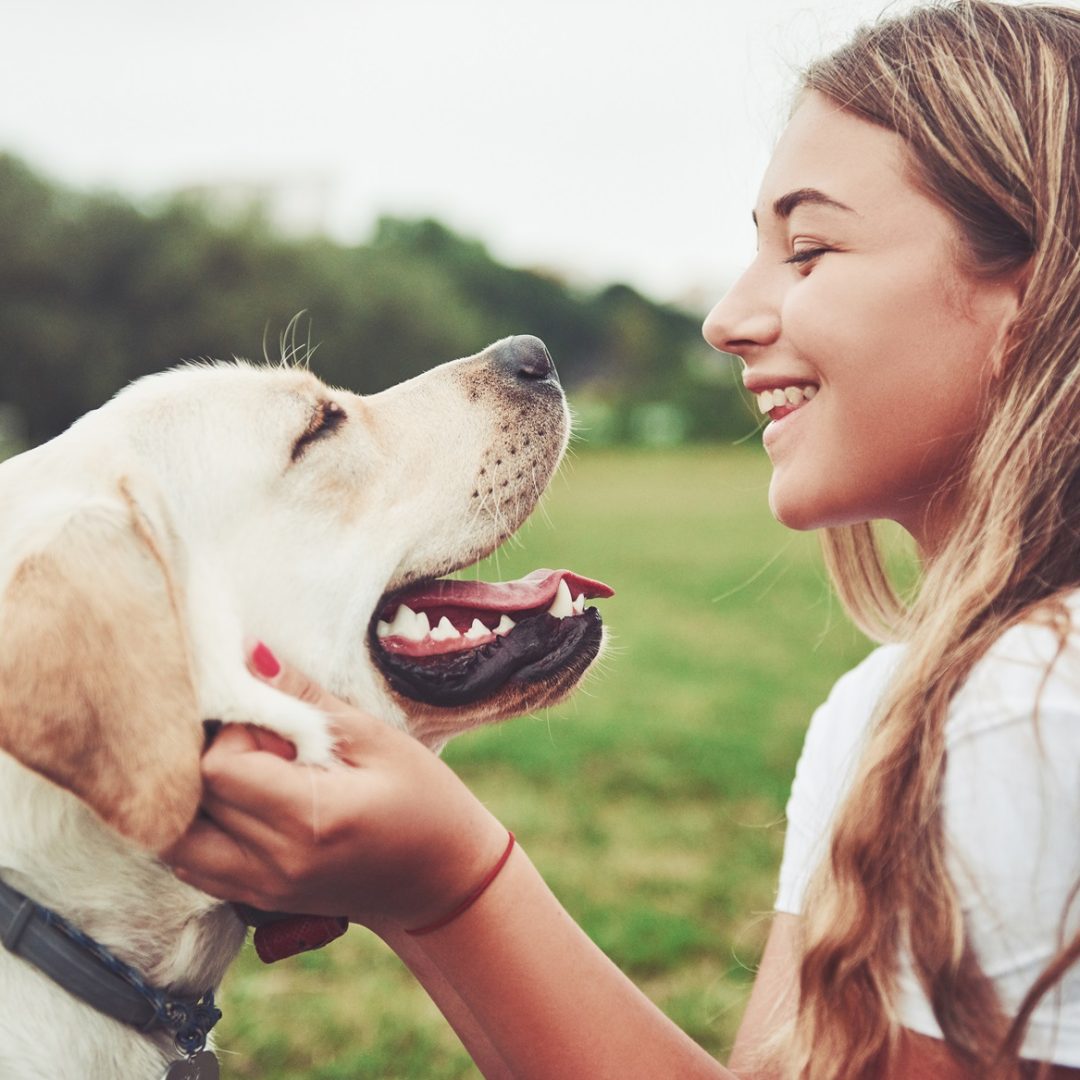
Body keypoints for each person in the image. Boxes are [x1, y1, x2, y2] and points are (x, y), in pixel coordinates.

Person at [165, 2, 1080, 1077]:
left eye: (811, 249)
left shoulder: (1029, 707)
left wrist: (454, 885)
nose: (730, 315)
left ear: (1036, 288)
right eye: (759, 250)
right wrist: (405, 886)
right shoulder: (892, 711)